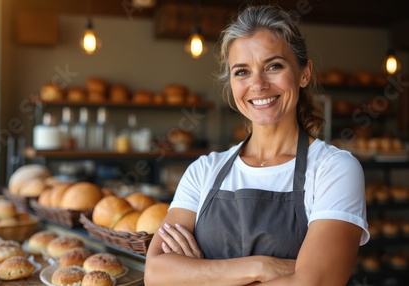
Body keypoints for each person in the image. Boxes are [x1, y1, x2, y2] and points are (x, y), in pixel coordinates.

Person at [144, 4, 369, 286]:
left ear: (304, 73)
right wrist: (260, 267)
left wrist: (199, 275)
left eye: (274, 66)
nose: (258, 84)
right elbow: (156, 274)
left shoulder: (334, 170)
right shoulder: (203, 171)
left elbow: (314, 283)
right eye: (242, 72)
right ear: (231, 85)